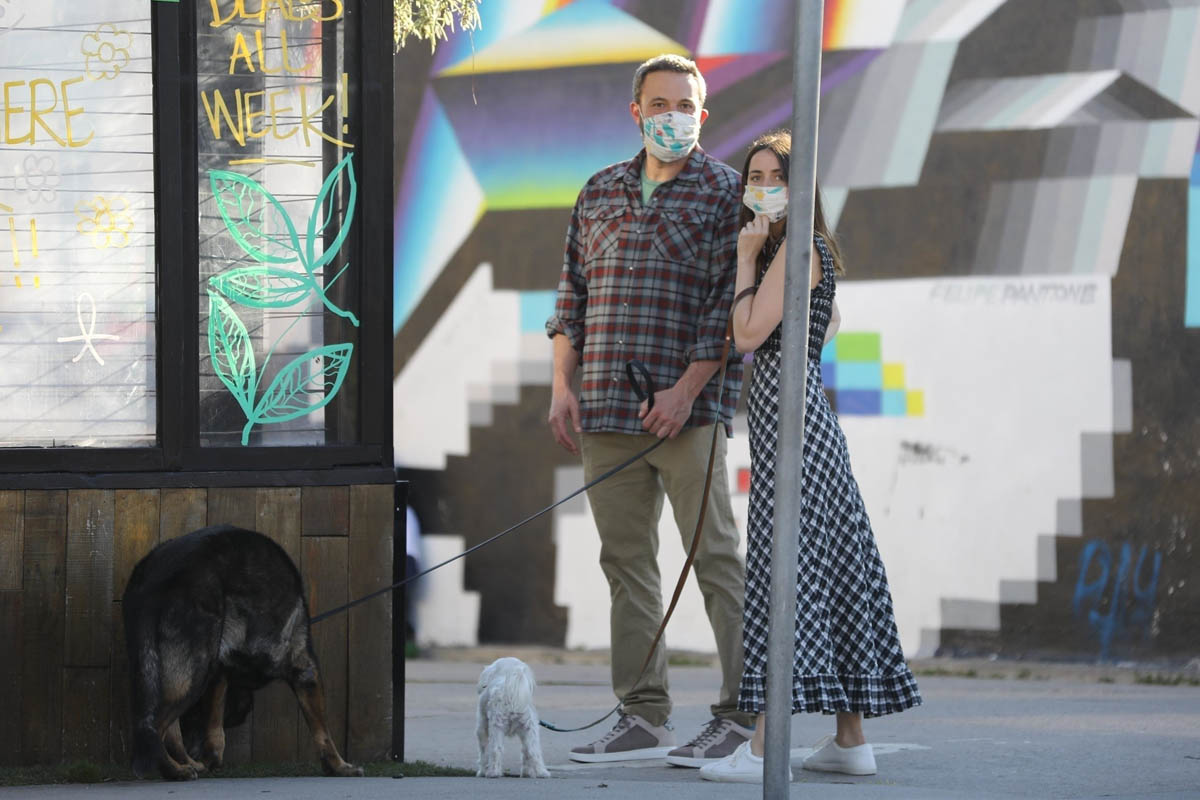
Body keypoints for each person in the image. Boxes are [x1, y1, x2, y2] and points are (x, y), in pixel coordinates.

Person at [546, 54, 756, 765]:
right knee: (626, 563)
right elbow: (571, 293)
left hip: (687, 415)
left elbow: (730, 306)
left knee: (716, 559)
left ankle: (743, 718)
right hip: (605, 410)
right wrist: (562, 385)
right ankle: (643, 716)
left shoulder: (727, 193)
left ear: (704, 114)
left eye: (685, 105)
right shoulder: (599, 190)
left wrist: (686, 390)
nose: (673, 116)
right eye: (660, 104)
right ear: (636, 112)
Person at [698, 131, 922, 783]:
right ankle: (850, 740)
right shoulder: (793, 250)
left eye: (777, 176)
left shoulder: (797, 249)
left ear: (802, 188)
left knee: (786, 574)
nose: (764, 186)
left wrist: (744, 260)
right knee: (836, 570)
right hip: (802, 427)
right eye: (755, 176)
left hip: (798, 433)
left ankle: (764, 749)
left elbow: (747, 334)